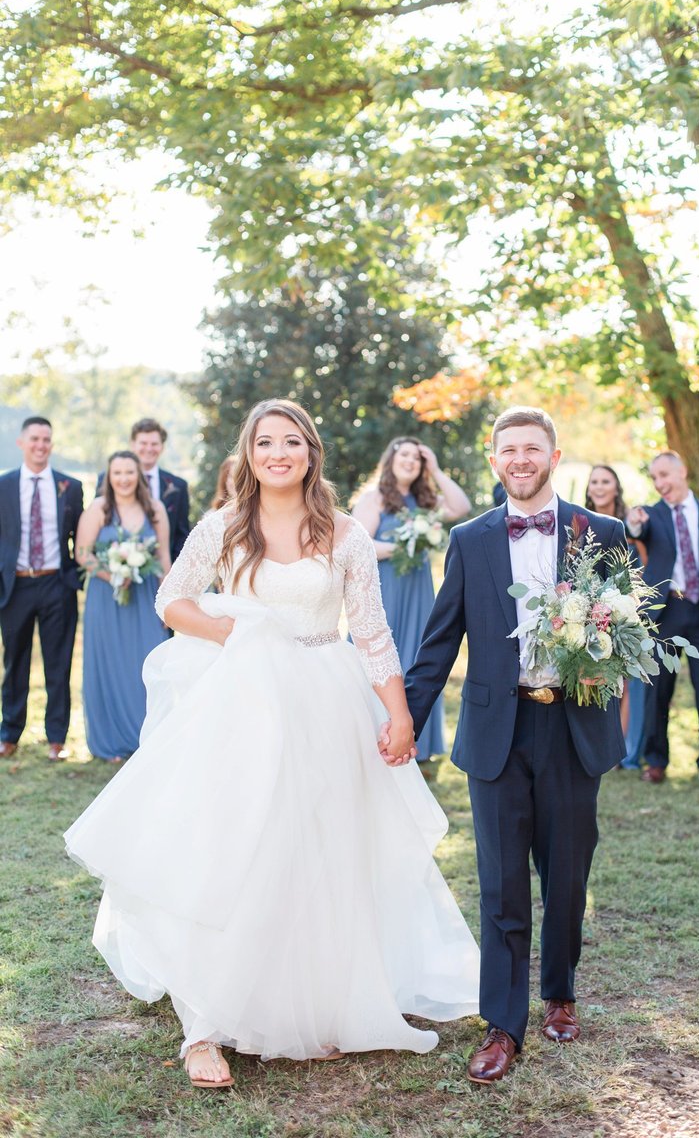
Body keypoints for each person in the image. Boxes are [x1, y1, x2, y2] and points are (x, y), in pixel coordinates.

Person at [65, 399, 479, 1089]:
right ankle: (204, 1029)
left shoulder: (345, 533)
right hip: (245, 702)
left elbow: (372, 634)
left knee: (318, 852)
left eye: (292, 441)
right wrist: (241, 637)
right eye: (266, 443)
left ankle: (312, 1003)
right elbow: (173, 598)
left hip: (327, 700)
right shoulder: (225, 524)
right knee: (233, 850)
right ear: (250, 453)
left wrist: (399, 716)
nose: (279, 453)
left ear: (311, 452)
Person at [405, 407, 627, 1084]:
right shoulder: (469, 540)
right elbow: (440, 639)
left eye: (533, 448)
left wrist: (605, 666)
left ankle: (559, 993)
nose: (521, 459)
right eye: (510, 450)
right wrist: (402, 723)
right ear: (495, 459)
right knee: (501, 886)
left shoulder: (604, 532)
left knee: (566, 876)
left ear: (555, 457)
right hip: (495, 731)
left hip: (572, 727)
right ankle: (503, 1025)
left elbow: (630, 624)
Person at [627, 451, 699, 789]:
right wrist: (634, 523)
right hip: (666, 612)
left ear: (683, 471)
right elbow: (635, 529)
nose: (660, 483)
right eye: (654, 478)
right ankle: (656, 760)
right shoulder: (650, 515)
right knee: (658, 691)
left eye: (664, 475)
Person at [351, 437, 470, 762]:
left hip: (418, 591)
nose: (410, 461)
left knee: (417, 656)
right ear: (390, 459)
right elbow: (359, 546)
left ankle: (415, 740)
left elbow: (461, 507)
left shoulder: (424, 500)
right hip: (385, 588)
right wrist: (403, 546)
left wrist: (436, 469)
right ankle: (370, 735)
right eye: (404, 455)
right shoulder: (374, 498)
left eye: (417, 459)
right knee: (380, 656)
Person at [76, 452, 171, 761]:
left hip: (145, 600)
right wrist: (113, 574)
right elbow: (82, 553)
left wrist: (168, 603)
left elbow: (163, 559)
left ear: (139, 474)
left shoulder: (154, 510)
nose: (124, 479)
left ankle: (149, 736)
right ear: (109, 475)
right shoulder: (99, 510)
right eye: (117, 472)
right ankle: (112, 741)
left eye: (129, 472)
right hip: (107, 599)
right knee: (110, 664)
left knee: (147, 664)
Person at [0, 417, 83, 761]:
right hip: (15, 586)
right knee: (14, 661)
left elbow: (81, 536)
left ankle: (56, 738)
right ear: (21, 442)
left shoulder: (70, 486)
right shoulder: (4, 485)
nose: (40, 445)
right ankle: (9, 734)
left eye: (46, 439)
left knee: (58, 663)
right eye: (34, 438)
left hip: (56, 584)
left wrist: (73, 578)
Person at [585, 464, 645, 769]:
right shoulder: (579, 523)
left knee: (624, 680)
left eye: (605, 481)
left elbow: (642, 566)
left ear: (616, 486)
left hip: (623, 608)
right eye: (594, 481)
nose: (599, 486)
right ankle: (596, 743)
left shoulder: (629, 524)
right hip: (587, 612)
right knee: (595, 676)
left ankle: (620, 748)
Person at [97, 419, 190, 561]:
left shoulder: (178, 486)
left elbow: (182, 535)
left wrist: (172, 575)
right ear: (133, 445)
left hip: (163, 571)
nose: (148, 449)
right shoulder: (108, 479)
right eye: (143, 443)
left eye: (154, 444)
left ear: (162, 447)